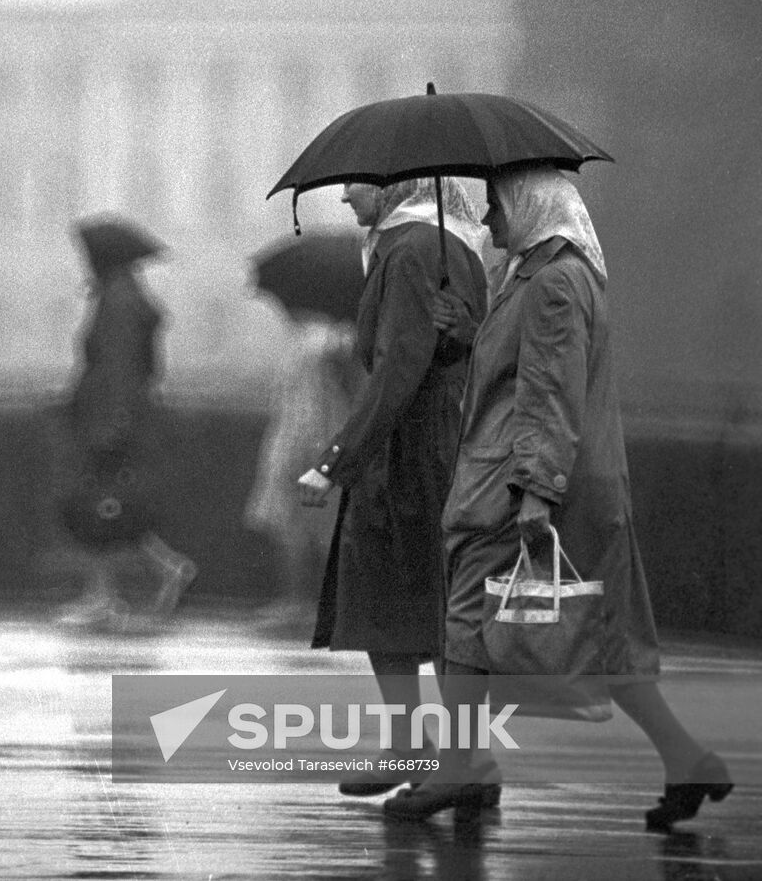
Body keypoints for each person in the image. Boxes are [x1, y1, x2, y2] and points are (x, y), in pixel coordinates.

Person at [384, 167, 732, 830]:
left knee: (465, 616)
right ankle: (688, 757)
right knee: (606, 635)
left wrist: (536, 492)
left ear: (532, 204)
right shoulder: (542, 276)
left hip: (523, 481)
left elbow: (548, 390)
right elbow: (521, 367)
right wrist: (466, 328)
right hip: (577, 479)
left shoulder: (551, 284)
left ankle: (459, 767)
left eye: (498, 204)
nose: (488, 219)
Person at [297, 177, 487, 794]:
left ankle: (414, 751)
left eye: (355, 187)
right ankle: (465, 761)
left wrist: (335, 461)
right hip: (439, 439)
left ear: (391, 185)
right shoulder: (448, 244)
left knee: (388, 598)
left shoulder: (408, 250)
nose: (347, 198)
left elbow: (397, 367)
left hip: (404, 450)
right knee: (437, 602)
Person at [51, 216, 196, 630]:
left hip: (109, 418)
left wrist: (108, 426)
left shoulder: (116, 301)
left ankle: (103, 597)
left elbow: (115, 368)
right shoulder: (126, 297)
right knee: (114, 504)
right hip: (120, 415)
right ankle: (167, 568)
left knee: (96, 504)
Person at [243, 239, 362, 636]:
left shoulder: (323, 339)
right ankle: (314, 603)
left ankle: (301, 603)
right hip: (308, 438)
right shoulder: (323, 336)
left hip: (306, 440)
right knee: (307, 529)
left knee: (302, 528)